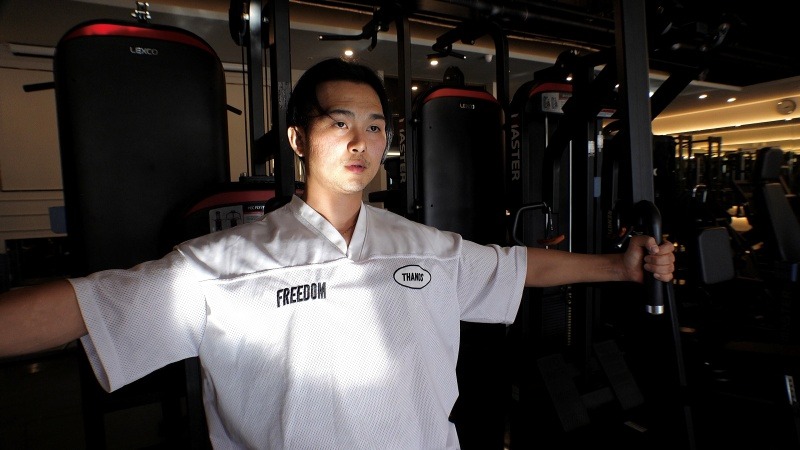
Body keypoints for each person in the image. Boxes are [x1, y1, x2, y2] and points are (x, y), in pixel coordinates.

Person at [0, 57, 675, 448]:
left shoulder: (420, 246)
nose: (362, 141)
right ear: (298, 139)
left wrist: (619, 266)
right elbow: (91, 304)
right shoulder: (227, 262)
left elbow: (517, 266)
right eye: (340, 122)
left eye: (376, 126)